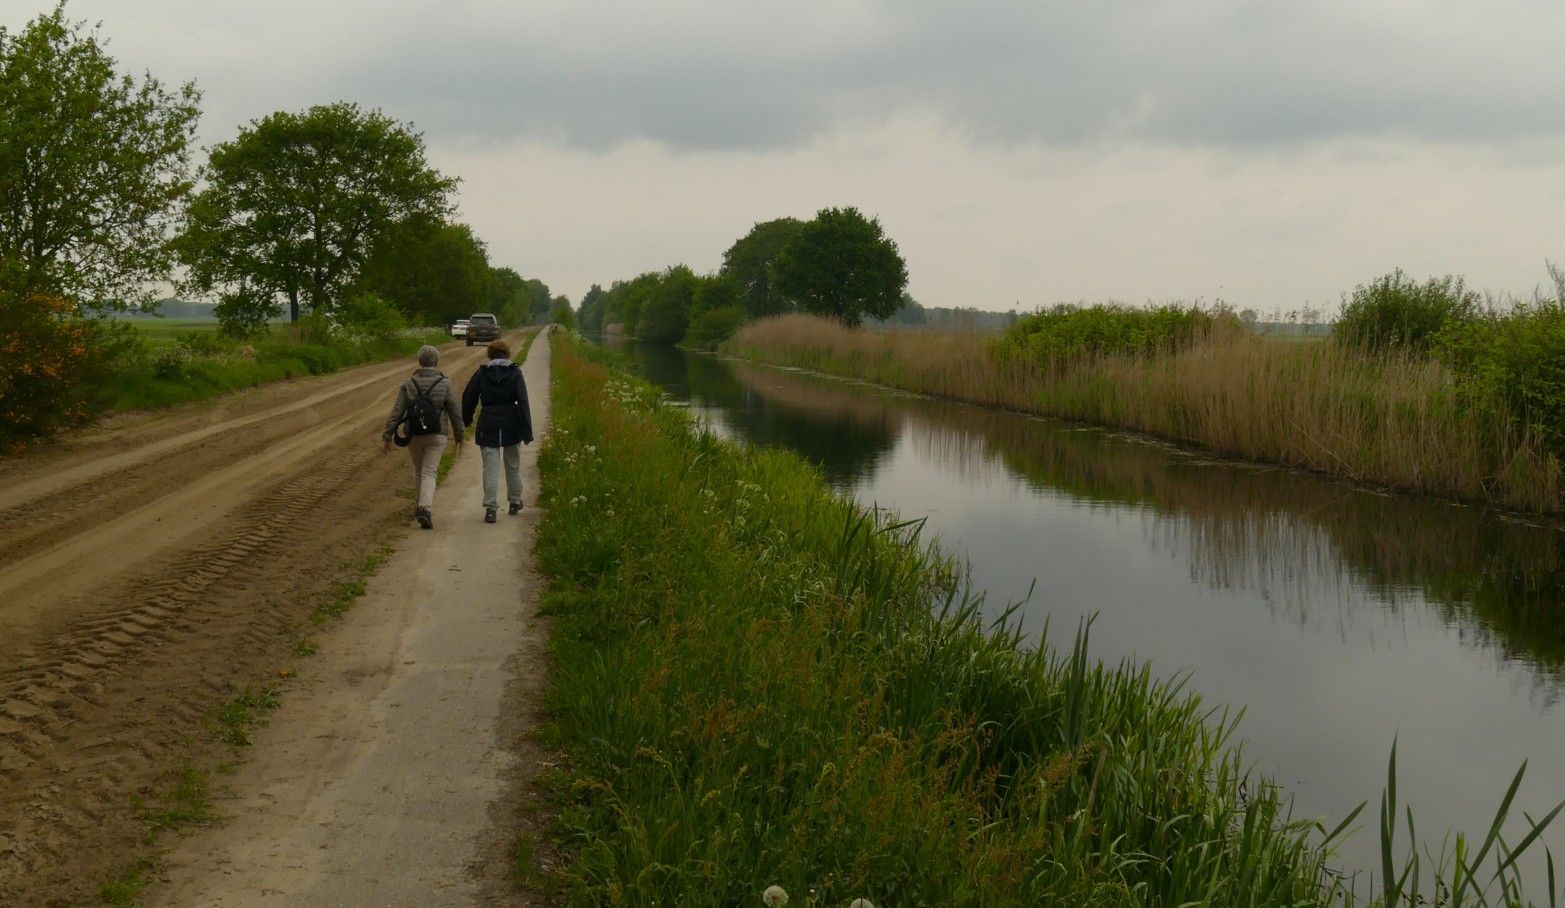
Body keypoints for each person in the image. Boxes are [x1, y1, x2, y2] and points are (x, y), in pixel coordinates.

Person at [382, 344, 463, 529]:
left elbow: (397, 411)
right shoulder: (445, 383)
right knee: (429, 471)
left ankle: (419, 506)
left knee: (419, 470)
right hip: (437, 434)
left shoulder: (408, 383)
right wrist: (459, 435)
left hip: (414, 433)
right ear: (436, 361)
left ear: (419, 361)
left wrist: (388, 436)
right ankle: (424, 508)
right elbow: (455, 412)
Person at [461, 340, 534, 523]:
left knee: (490, 468)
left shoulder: (482, 373)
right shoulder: (515, 372)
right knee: (513, 465)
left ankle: (491, 509)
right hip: (512, 422)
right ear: (507, 353)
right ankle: (515, 501)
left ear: (490, 355)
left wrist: (467, 419)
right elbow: (523, 402)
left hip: (488, 422)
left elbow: (468, 397)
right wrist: (527, 431)